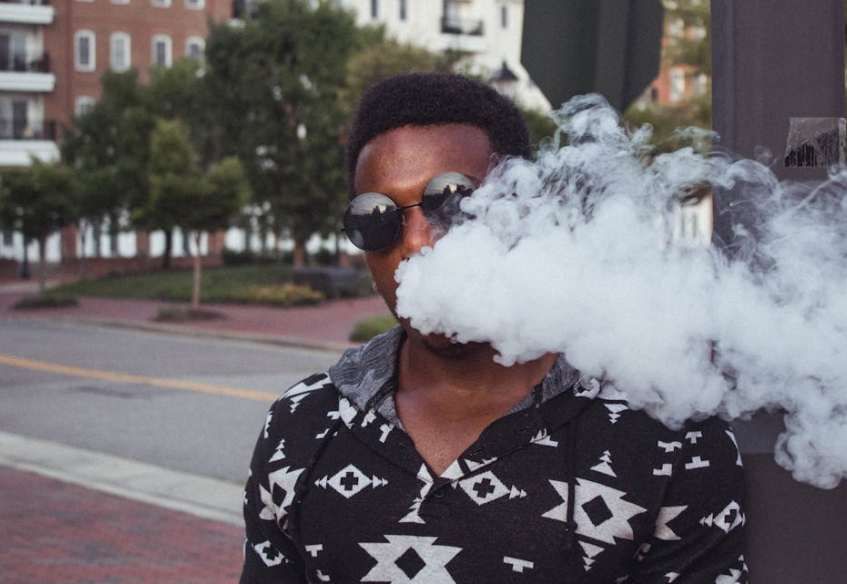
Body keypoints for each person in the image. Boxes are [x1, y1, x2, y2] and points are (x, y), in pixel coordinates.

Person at [240, 73, 748, 583]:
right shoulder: (302, 426)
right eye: (377, 217)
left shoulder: (666, 433)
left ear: (524, 207)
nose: (416, 243)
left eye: (451, 199)